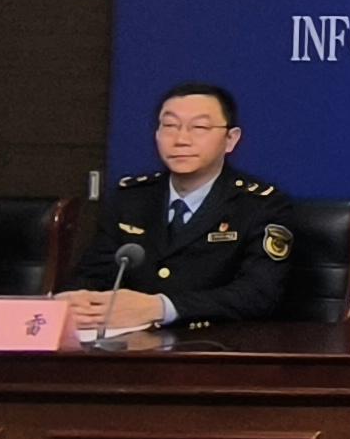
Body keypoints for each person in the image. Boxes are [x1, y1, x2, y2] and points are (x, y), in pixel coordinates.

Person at [64, 82, 295, 333]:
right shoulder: (131, 198)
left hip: (216, 343)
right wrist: (78, 300)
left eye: (199, 128)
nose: (181, 140)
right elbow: (93, 274)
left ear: (230, 139)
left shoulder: (260, 205)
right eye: (170, 126)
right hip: (129, 342)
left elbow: (259, 294)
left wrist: (162, 308)